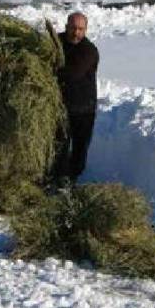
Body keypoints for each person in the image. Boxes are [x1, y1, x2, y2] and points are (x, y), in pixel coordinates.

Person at [54, 12, 100, 185]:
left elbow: (72, 73)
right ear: (66, 27)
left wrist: (49, 69)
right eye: (73, 28)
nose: (76, 33)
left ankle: (71, 181)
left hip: (83, 110)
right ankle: (58, 180)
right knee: (59, 147)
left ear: (85, 30)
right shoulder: (57, 41)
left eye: (80, 29)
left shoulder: (89, 51)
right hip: (61, 108)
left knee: (79, 150)